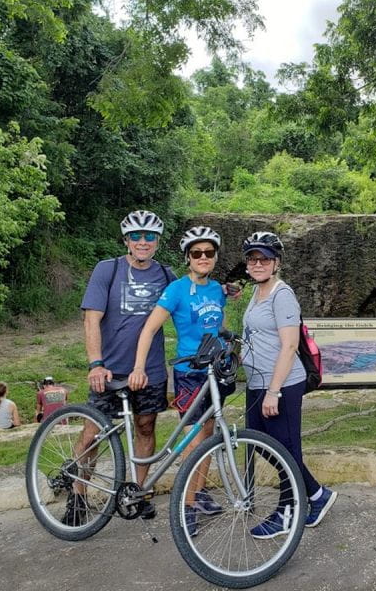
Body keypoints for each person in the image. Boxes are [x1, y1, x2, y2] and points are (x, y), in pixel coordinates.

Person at [130, 225, 238, 536]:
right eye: (196, 253)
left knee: (208, 434)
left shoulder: (218, 289)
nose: (203, 257)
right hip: (189, 372)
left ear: (215, 257)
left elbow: (219, 325)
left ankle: (200, 492)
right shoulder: (176, 290)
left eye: (209, 253)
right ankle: (186, 505)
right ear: (187, 258)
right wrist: (139, 367)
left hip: (214, 369)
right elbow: (149, 329)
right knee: (193, 441)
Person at [69, 210, 175, 525]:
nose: (143, 242)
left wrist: (222, 292)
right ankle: (77, 494)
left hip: (150, 371)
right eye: (137, 236)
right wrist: (95, 363)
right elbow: (91, 319)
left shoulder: (167, 276)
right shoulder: (108, 270)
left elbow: (191, 296)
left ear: (157, 241)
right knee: (93, 434)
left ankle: (138, 493)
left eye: (150, 236)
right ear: (127, 240)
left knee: (145, 428)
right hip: (110, 370)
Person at [240, 231, 337, 539]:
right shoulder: (256, 293)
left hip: (280, 384)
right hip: (257, 383)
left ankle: (287, 511)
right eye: (253, 259)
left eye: (264, 259)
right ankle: (316, 494)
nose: (258, 264)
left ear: (276, 263)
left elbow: (289, 344)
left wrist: (274, 390)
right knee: (262, 443)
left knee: (285, 449)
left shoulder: (282, 295)